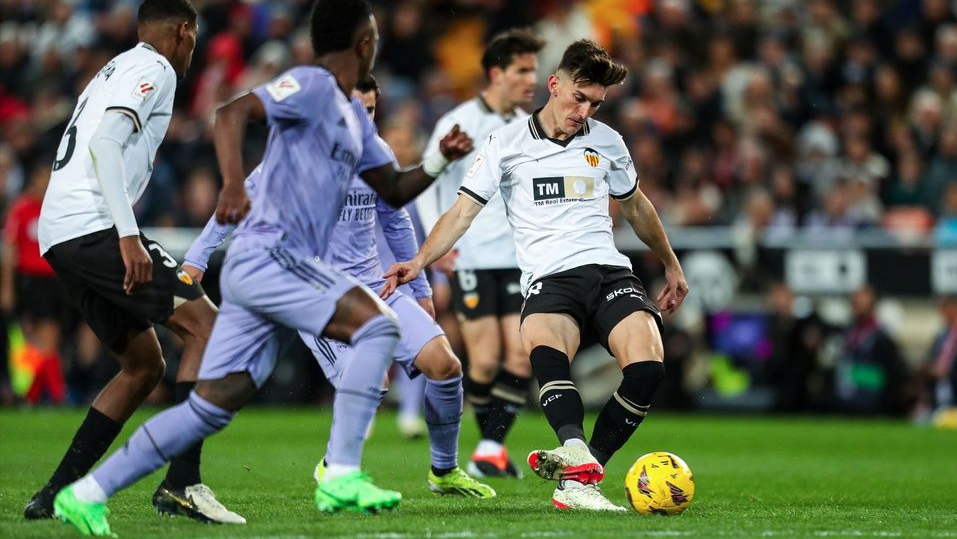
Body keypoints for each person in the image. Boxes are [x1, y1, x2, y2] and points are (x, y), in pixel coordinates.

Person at [52, 0, 471, 536]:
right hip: (271, 255)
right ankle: (341, 473)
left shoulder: (356, 125)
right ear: (362, 42)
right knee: (377, 328)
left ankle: (86, 493)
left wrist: (440, 159)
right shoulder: (314, 85)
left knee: (213, 404)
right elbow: (231, 113)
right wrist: (229, 185)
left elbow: (393, 188)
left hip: (273, 271)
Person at [384, 39, 689, 511]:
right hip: (549, 280)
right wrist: (419, 261)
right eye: (578, 98)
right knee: (543, 354)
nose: (584, 110)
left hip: (609, 272)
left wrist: (670, 262)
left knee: (648, 366)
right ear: (555, 84)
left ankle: (581, 471)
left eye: (595, 103)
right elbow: (461, 212)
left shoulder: (608, 142)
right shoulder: (506, 144)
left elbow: (636, 206)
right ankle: (571, 460)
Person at [181, 75, 494, 499]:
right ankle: (334, 470)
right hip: (316, 295)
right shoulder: (294, 155)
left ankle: (443, 470)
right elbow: (232, 204)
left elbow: (395, 220)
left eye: (369, 112)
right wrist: (197, 259)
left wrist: (419, 286)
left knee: (445, 366)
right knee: (372, 379)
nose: (362, 121)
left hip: (374, 286)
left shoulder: (377, 154)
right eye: (354, 111)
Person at [26, 0, 243, 524]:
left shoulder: (116, 66)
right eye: (194, 40)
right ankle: (183, 483)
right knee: (208, 330)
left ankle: (55, 494)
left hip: (59, 232)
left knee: (144, 364)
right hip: (95, 225)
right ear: (185, 32)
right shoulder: (157, 68)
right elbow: (104, 144)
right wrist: (128, 235)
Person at [417, 28, 545, 478]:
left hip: (517, 257)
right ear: (497, 73)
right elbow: (425, 184)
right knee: (486, 359)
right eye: (523, 70)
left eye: (533, 69)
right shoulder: (459, 122)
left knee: (522, 355)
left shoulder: (528, 127)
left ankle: (490, 447)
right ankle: (486, 449)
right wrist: (439, 248)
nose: (533, 79)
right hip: (470, 254)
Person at [2, 162, 67, 405]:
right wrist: (7, 288)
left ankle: (33, 396)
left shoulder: (55, 208)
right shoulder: (21, 209)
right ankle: (55, 394)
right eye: (42, 178)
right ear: (33, 179)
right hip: (30, 282)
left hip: (54, 281)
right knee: (37, 341)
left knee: (46, 341)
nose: (46, 183)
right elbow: (10, 250)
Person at [834, 286, 908, 417]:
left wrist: (853, 374)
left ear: (872, 305)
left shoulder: (881, 336)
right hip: (844, 401)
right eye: (855, 302)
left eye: (862, 302)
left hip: (871, 404)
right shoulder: (848, 332)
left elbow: (889, 374)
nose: (857, 305)